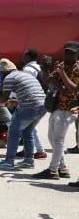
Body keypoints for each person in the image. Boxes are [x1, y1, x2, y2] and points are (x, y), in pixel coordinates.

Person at [35, 41, 79, 180]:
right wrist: (45, 69)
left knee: (58, 140)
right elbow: (48, 80)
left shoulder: (77, 68)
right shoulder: (63, 65)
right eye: (66, 51)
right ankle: (63, 168)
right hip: (57, 107)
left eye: (71, 52)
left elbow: (73, 90)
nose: (68, 55)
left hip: (69, 108)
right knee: (51, 137)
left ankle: (53, 170)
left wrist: (61, 75)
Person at [0, 59, 46, 169]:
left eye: (1, 74)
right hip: (42, 106)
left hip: (30, 106)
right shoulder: (23, 75)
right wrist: (14, 101)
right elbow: (30, 93)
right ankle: (28, 161)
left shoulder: (9, 78)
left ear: (3, 72)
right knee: (28, 132)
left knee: (13, 132)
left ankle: (9, 161)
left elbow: (3, 99)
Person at [16, 48, 48, 159]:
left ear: (28, 57)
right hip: (41, 99)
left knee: (29, 127)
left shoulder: (28, 69)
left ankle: (38, 150)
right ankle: (31, 149)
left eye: (24, 55)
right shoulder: (38, 67)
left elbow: (26, 85)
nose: (22, 57)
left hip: (30, 101)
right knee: (30, 127)